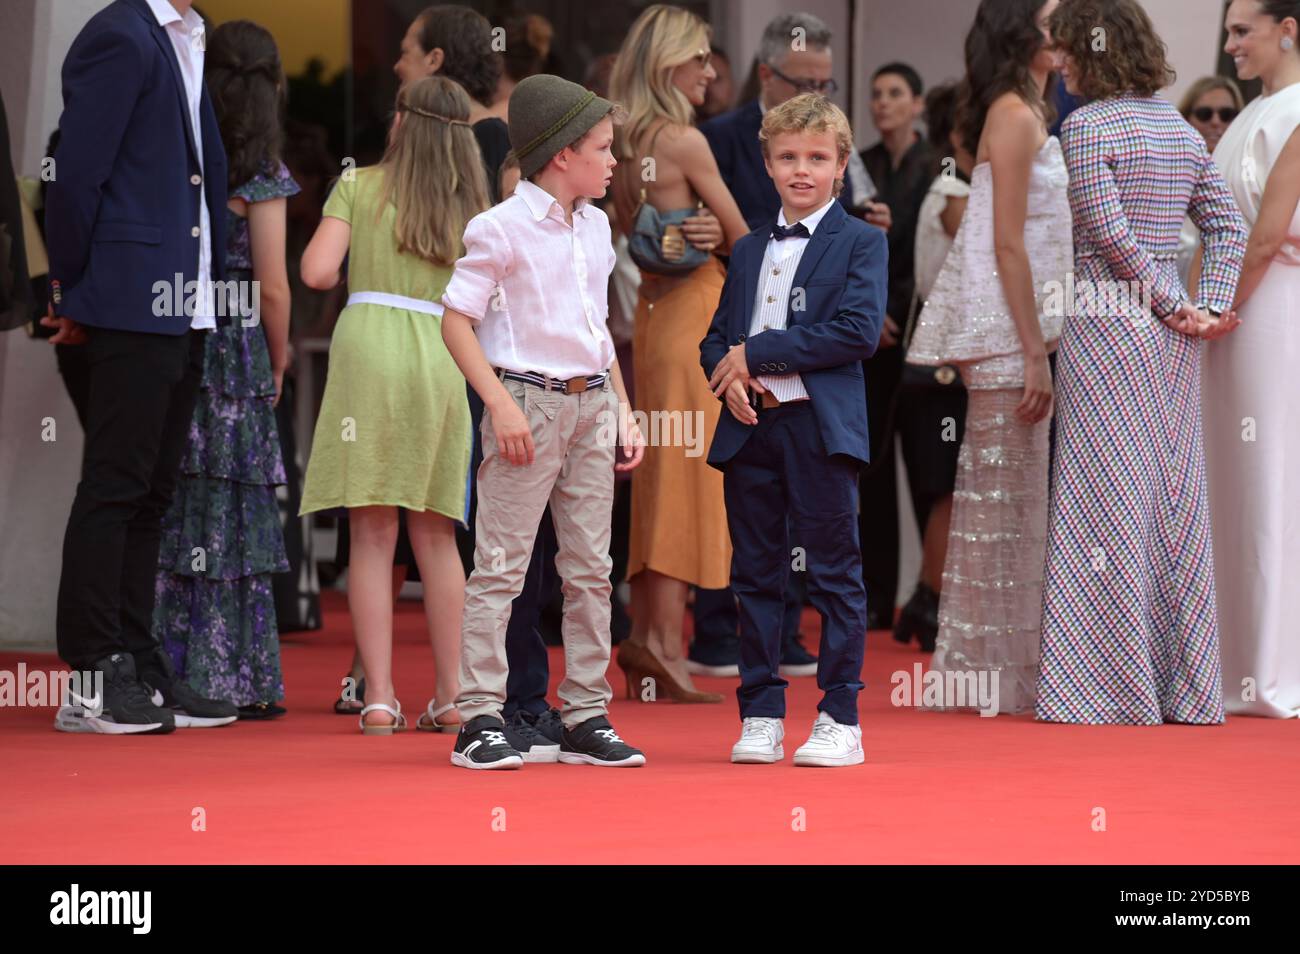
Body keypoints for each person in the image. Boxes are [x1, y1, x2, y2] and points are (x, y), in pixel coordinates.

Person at [1036, 0, 1248, 725]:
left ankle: (1107, 689)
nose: (1059, 62)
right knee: (1171, 502)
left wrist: (1174, 303)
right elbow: (1226, 226)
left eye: (1065, 50)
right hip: (1173, 340)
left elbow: (1108, 231)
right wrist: (1205, 308)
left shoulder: (1087, 126)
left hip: (1108, 326)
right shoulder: (1181, 131)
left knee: (1105, 504)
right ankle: (1182, 688)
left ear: (1093, 52)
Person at [440, 74, 648, 769]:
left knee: (592, 568)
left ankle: (586, 711)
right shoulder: (498, 227)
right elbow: (456, 321)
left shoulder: (595, 223)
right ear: (562, 154)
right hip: (527, 402)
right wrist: (499, 404)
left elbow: (598, 329)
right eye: (602, 147)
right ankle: (479, 717)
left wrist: (622, 406)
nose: (615, 160)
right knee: (501, 566)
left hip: (591, 402)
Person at [44, 0, 237, 734]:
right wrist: (68, 287)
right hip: (125, 298)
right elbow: (75, 171)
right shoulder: (119, 34)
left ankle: (135, 658)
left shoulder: (186, 36)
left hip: (183, 301)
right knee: (116, 485)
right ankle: (94, 675)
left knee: (153, 491)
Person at [694, 10, 886, 676]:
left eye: (816, 159)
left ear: (837, 165)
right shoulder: (748, 245)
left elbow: (856, 331)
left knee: (833, 567)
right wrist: (731, 372)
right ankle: (758, 707)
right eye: (787, 159)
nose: (801, 170)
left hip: (820, 420)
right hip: (750, 426)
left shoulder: (861, 241)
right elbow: (717, 337)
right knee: (754, 568)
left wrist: (759, 355)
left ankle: (839, 712)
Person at [300, 75, 488, 735]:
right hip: (442, 353)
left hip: (367, 354)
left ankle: (378, 695)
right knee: (437, 533)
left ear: (403, 121)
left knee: (371, 533)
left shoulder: (360, 185)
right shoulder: (474, 206)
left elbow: (317, 272)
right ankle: (452, 695)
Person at [906, 0, 1071, 715]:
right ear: (1021, 33)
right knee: (1002, 503)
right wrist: (1034, 353)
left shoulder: (1025, 107)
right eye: (1053, 19)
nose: (1064, 32)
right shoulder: (1012, 113)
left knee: (1011, 503)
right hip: (1010, 338)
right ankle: (992, 674)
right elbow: (1005, 242)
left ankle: (999, 670)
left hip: (1023, 331)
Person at [153, 20, 296, 719]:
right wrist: (280, 353)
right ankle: (232, 676)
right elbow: (273, 285)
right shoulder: (264, 173)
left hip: (181, 327)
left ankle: (169, 665)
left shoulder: (186, 152)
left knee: (179, 504)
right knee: (234, 509)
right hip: (237, 346)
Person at [609, 4, 748, 704]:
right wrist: (713, 236)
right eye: (699, 59)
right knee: (686, 482)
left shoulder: (620, 140)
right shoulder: (683, 141)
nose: (711, 71)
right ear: (669, 63)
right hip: (693, 317)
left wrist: (686, 235)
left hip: (652, 318)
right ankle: (663, 643)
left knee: (661, 476)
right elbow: (744, 241)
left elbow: (627, 236)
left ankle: (648, 637)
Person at [1203, 0, 1300, 718]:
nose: (1231, 44)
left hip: (1271, 310)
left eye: (1244, 32)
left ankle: (1273, 667)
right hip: (1236, 309)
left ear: (1288, 30)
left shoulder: (1296, 112)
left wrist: (1214, 309)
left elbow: (1265, 238)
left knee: (1270, 474)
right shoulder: (1246, 115)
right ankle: (1234, 659)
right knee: (1229, 477)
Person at [892, 81, 971, 651]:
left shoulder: (954, 185)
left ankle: (926, 601)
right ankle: (929, 600)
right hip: (943, 366)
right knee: (947, 492)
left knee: (947, 490)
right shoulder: (953, 191)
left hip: (941, 363)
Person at [858, 61, 935, 635]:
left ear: (917, 103)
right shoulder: (860, 164)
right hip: (869, 340)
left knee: (928, 468)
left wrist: (896, 307)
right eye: (876, 94)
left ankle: (928, 592)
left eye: (894, 94)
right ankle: (877, 597)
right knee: (873, 468)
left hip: (926, 334)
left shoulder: (939, 166)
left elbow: (937, 256)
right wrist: (869, 312)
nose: (883, 103)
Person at [1175, 76, 1245, 287]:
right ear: (1185, 118)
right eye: (1205, 114)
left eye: (1227, 115)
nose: (1216, 122)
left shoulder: (1246, 175)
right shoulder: (1168, 170)